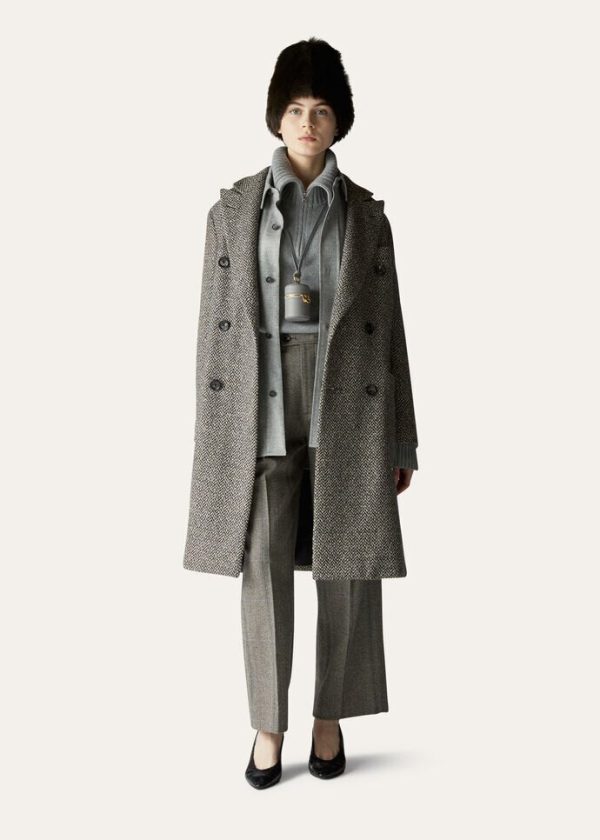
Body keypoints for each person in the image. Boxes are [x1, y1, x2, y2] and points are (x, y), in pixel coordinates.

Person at [183, 37, 419, 789]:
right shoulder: (232, 212)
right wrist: (212, 440)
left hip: (346, 402)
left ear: (339, 119)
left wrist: (403, 440)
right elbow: (211, 337)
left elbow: (392, 332)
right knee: (262, 569)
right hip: (262, 401)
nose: (307, 124)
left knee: (346, 569)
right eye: (294, 110)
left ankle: (328, 718)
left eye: (320, 110)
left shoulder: (367, 217)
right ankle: (267, 725)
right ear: (275, 118)